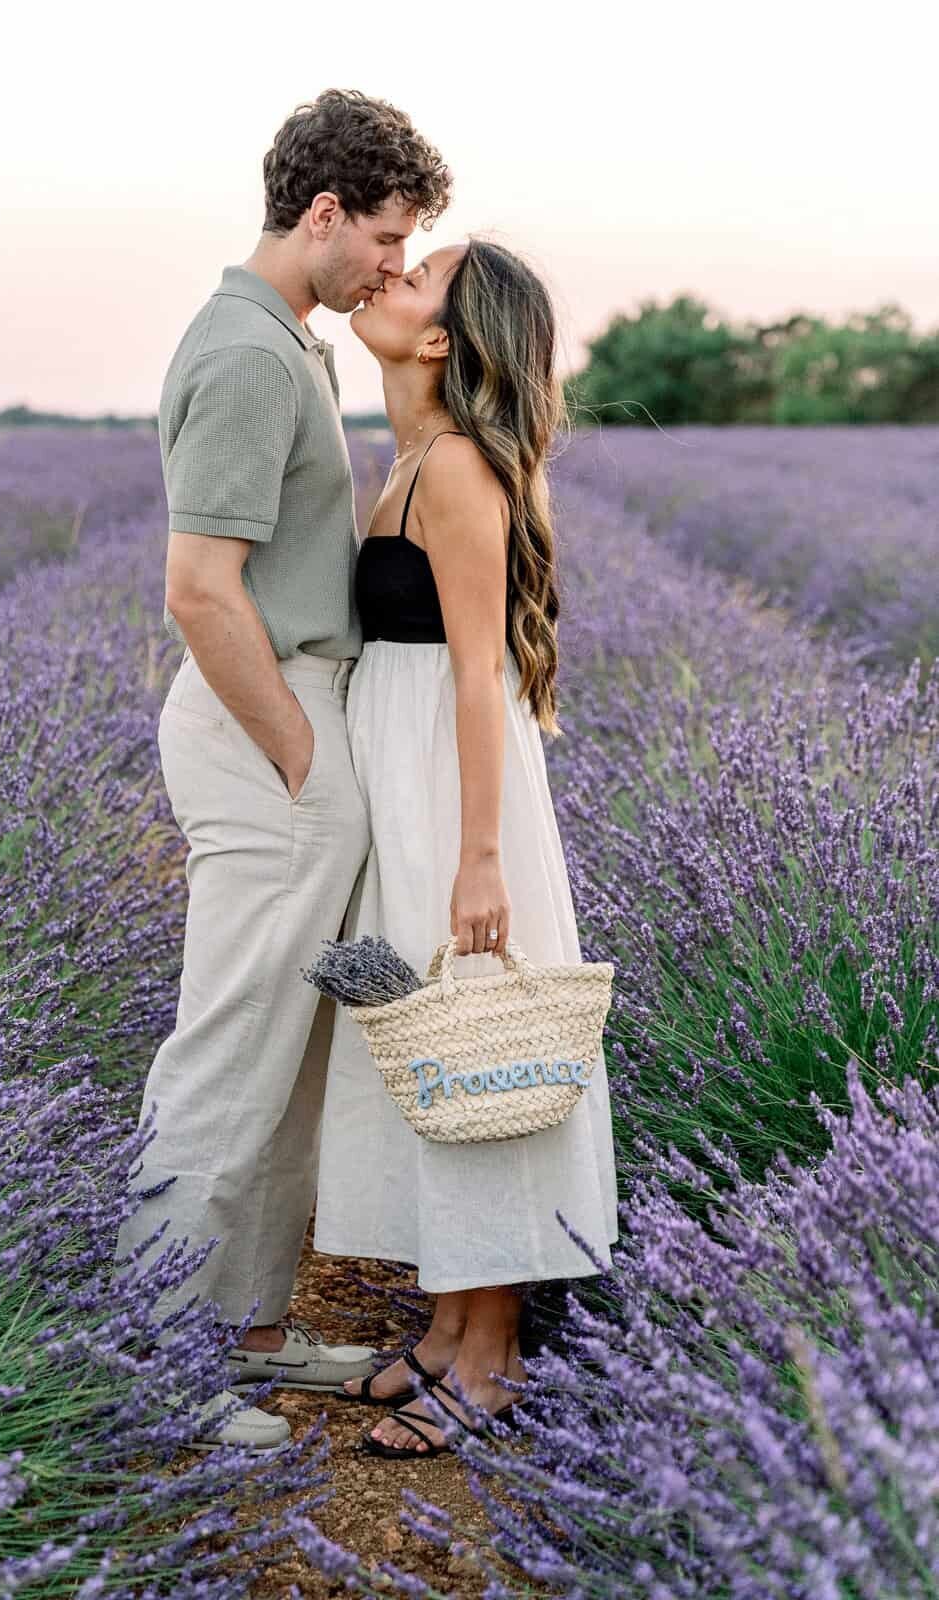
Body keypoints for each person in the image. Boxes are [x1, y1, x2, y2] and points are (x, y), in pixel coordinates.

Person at [113, 88, 452, 1450]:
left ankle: (248, 1326)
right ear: (321, 213)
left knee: (292, 1047)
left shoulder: (285, 343)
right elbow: (201, 590)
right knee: (230, 1047)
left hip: (288, 721)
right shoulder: (252, 357)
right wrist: (305, 758)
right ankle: (155, 1364)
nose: (391, 264)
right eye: (383, 235)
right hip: (267, 731)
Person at [312, 239, 620, 1459]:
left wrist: (477, 854)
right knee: (432, 1049)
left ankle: (489, 1357)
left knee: (479, 1049)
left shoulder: (452, 476)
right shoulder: (408, 463)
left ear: (440, 340)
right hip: (410, 776)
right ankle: (447, 1319)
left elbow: (477, 673)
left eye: (414, 277)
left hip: (454, 786)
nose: (386, 279)